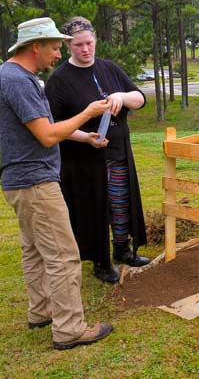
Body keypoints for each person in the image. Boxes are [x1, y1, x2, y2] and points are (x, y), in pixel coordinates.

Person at [0, 17, 113, 350]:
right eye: (56, 46)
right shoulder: (17, 80)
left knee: (34, 252)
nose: (60, 53)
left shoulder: (13, 76)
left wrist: (80, 135)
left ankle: (41, 311)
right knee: (62, 255)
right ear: (36, 46)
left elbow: (40, 126)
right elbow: (46, 136)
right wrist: (88, 113)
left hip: (20, 181)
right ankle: (70, 329)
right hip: (35, 183)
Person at [45, 17, 149, 284]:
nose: (85, 49)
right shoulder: (59, 80)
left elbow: (140, 99)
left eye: (89, 43)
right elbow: (53, 125)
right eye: (79, 45)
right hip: (83, 159)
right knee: (95, 209)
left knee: (120, 201)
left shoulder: (109, 68)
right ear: (69, 45)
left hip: (118, 152)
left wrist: (121, 97)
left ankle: (122, 250)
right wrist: (84, 137)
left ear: (95, 41)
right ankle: (100, 262)